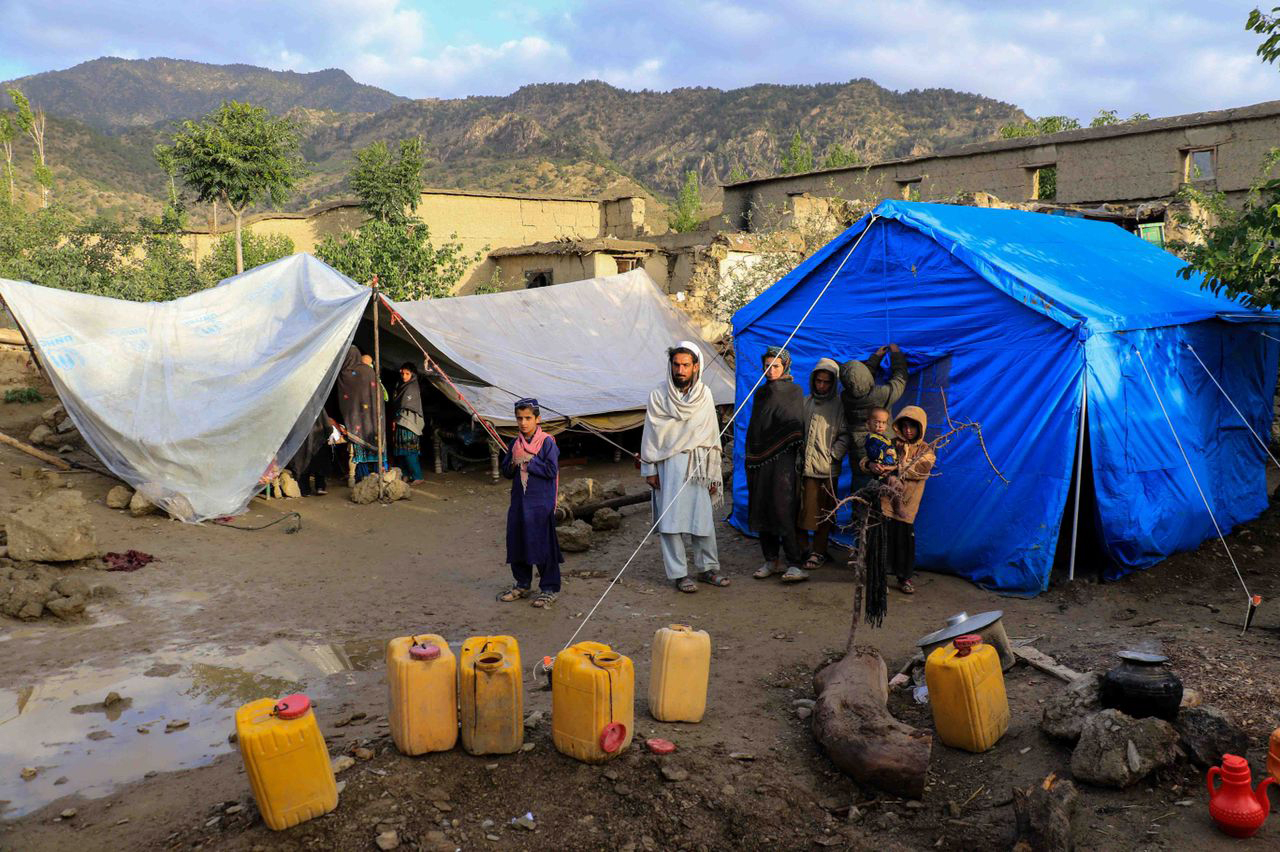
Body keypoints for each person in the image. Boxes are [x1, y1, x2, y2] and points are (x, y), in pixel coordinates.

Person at [640, 341, 728, 594]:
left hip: (698, 467)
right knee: (671, 524)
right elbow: (651, 435)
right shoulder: (658, 395)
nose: (680, 370)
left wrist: (713, 474)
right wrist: (650, 470)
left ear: (696, 366)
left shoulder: (705, 395)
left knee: (702, 522)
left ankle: (708, 568)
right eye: (676, 364)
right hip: (668, 467)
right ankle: (679, 575)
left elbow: (712, 435)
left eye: (685, 365)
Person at [747, 346, 808, 583]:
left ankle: (794, 563)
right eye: (767, 366)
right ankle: (770, 560)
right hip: (759, 459)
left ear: (785, 367)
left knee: (783, 508)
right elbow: (756, 426)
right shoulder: (760, 393)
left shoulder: (794, 391)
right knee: (761, 505)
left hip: (784, 459)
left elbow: (795, 425)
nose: (770, 371)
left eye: (775, 366)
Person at [862, 405, 934, 597]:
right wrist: (871, 465)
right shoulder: (889, 442)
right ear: (898, 427)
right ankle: (878, 577)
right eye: (905, 426)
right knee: (882, 538)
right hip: (886, 501)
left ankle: (904, 577)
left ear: (921, 428)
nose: (908, 430)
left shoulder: (926, 449)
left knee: (904, 541)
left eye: (913, 427)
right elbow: (866, 460)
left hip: (908, 503)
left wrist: (895, 467)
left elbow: (922, 469)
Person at [498, 399, 563, 608]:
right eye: (519, 418)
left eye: (528, 418)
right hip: (519, 502)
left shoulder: (547, 442)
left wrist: (529, 460)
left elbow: (552, 471)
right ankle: (522, 584)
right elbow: (507, 472)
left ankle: (549, 588)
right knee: (518, 541)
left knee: (542, 545)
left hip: (540, 504)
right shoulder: (514, 443)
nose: (523, 423)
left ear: (537, 419)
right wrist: (512, 460)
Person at [796, 358, 848, 570]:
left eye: (827, 382)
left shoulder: (840, 405)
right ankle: (802, 550)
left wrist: (833, 455)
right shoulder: (805, 402)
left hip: (827, 470)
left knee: (824, 515)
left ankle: (818, 552)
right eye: (819, 381)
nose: (822, 386)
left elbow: (845, 435)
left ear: (833, 383)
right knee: (802, 512)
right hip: (805, 469)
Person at [841, 343, 908, 487]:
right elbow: (900, 380)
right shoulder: (880, 395)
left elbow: (858, 381)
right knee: (884, 495)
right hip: (883, 450)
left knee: (861, 495)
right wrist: (896, 355)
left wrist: (875, 359)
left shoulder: (845, 397)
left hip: (858, 449)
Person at [336, 345, 380, 480]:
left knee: (358, 450)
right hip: (372, 418)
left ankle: (362, 477)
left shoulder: (346, 373)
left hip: (356, 419)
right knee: (373, 446)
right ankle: (377, 475)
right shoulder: (369, 371)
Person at [391, 362, 425, 483]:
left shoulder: (412, 387)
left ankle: (418, 476)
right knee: (402, 452)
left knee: (410, 452)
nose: (404, 376)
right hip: (401, 422)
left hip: (410, 423)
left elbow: (406, 404)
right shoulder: (401, 386)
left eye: (407, 373)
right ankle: (406, 474)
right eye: (402, 373)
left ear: (413, 374)